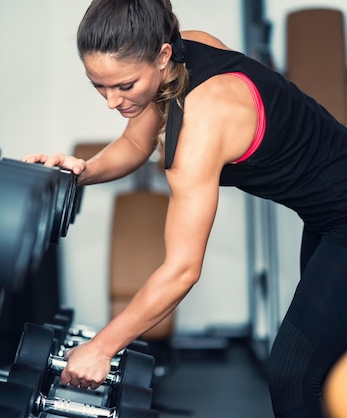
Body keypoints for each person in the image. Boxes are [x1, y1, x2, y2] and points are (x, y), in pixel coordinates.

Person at [21, 0, 347, 417]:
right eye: (98, 86)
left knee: (294, 373)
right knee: (330, 362)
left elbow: (182, 270)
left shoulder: (203, 121)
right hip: (327, 219)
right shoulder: (186, 50)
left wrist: (102, 348)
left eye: (124, 85)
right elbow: (137, 143)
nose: (111, 101)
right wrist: (80, 171)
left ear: (161, 56)